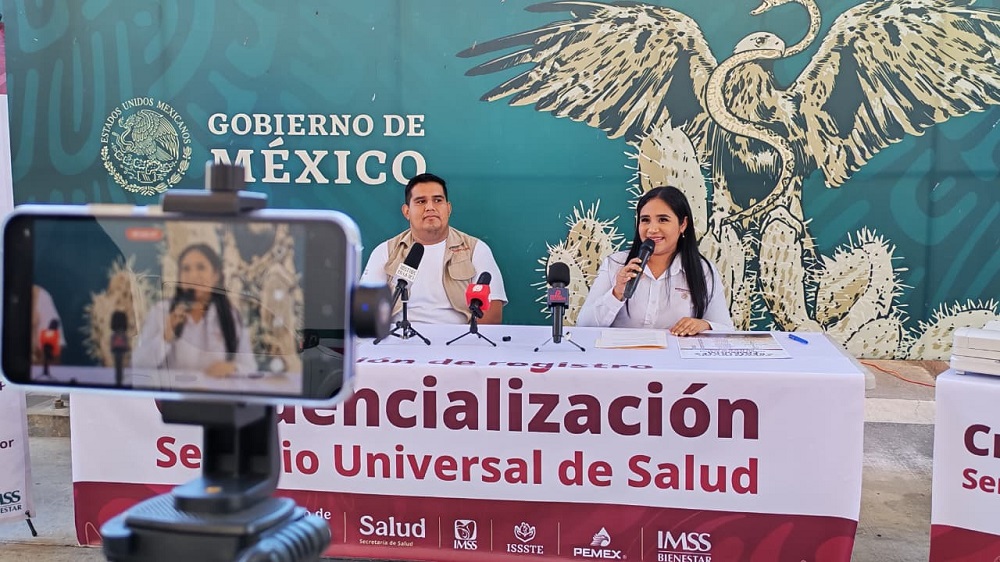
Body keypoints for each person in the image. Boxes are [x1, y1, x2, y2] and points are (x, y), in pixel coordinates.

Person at [577, 186, 734, 336]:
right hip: (620, 354)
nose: (652, 229)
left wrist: (704, 325)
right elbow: (583, 326)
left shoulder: (702, 270)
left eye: (663, 220)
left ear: (683, 224)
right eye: (645, 220)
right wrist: (616, 293)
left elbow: (726, 329)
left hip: (675, 355)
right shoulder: (615, 263)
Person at [361, 172, 507, 324]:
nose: (430, 207)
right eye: (421, 201)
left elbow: (492, 313)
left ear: (448, 208)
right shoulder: (385, 251)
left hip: (460, 337)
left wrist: (466, 339)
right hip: (399, 336)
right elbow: (366, 309)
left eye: (438, 200)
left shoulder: (476, 249)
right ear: (406, 211)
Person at [133, 243, 257, 377]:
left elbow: (250, 367)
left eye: (201, 267)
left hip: (214, 390)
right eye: (186, 269)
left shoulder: (230, 316)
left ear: (215, 275)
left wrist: (232, 368)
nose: (193, 275)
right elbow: (138, 363)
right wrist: (165, 337)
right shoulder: (161, 311)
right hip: (174, 390)